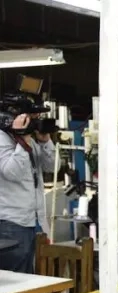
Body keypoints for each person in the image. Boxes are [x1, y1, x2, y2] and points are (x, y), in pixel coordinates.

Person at [0, 113, 55, 273]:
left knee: (36, 277)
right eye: (31, 117)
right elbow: (12, 173)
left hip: (35, 221)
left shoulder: (31, 140)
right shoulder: (3, 139)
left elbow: (51, 167)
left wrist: (45, 141)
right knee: (17, 280)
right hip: (12, 223)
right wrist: (23, 140)